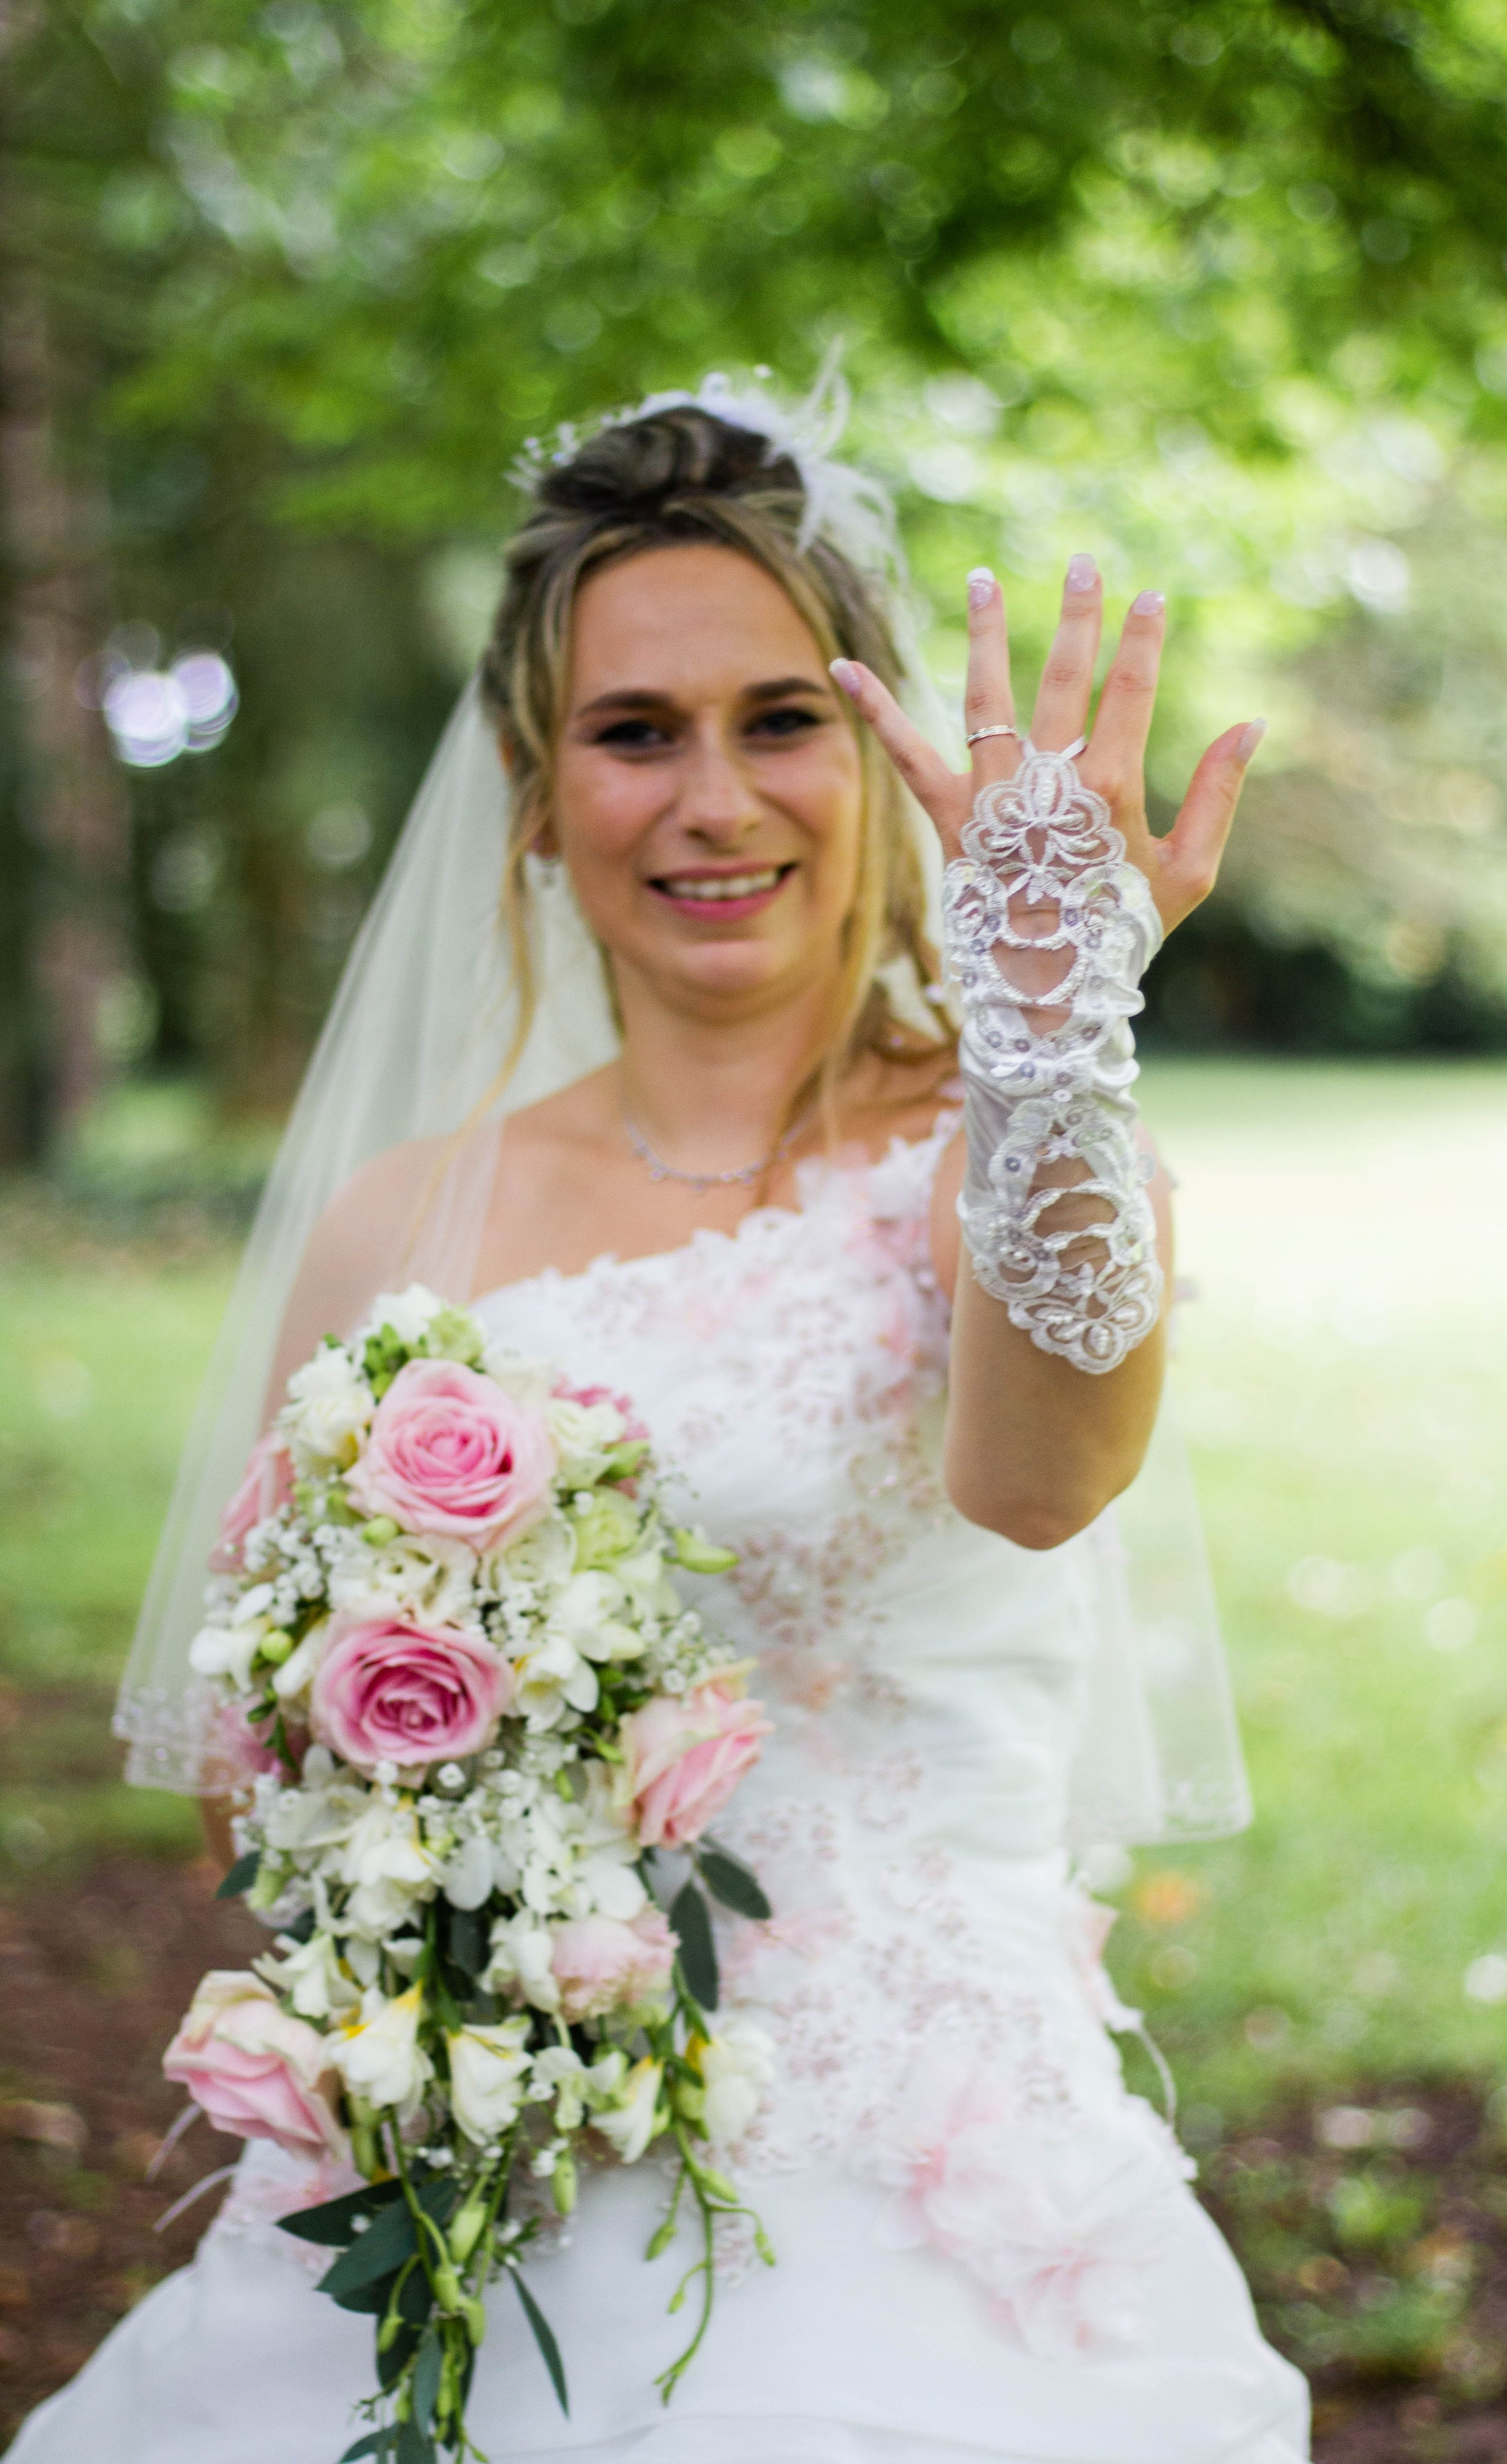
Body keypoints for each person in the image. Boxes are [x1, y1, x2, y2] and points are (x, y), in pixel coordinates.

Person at [13, 382, 1308, 2461]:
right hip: (498, 2147)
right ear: (536, 795)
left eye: (782, 720)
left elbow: (1044, 1479)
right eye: (635, 733)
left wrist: (1052, 1033)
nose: (714, 800)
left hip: (908, 2164)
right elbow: (250, 1789)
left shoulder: (999, 1153)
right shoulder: (400, 1223)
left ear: (880, 760)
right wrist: (468, 1917)